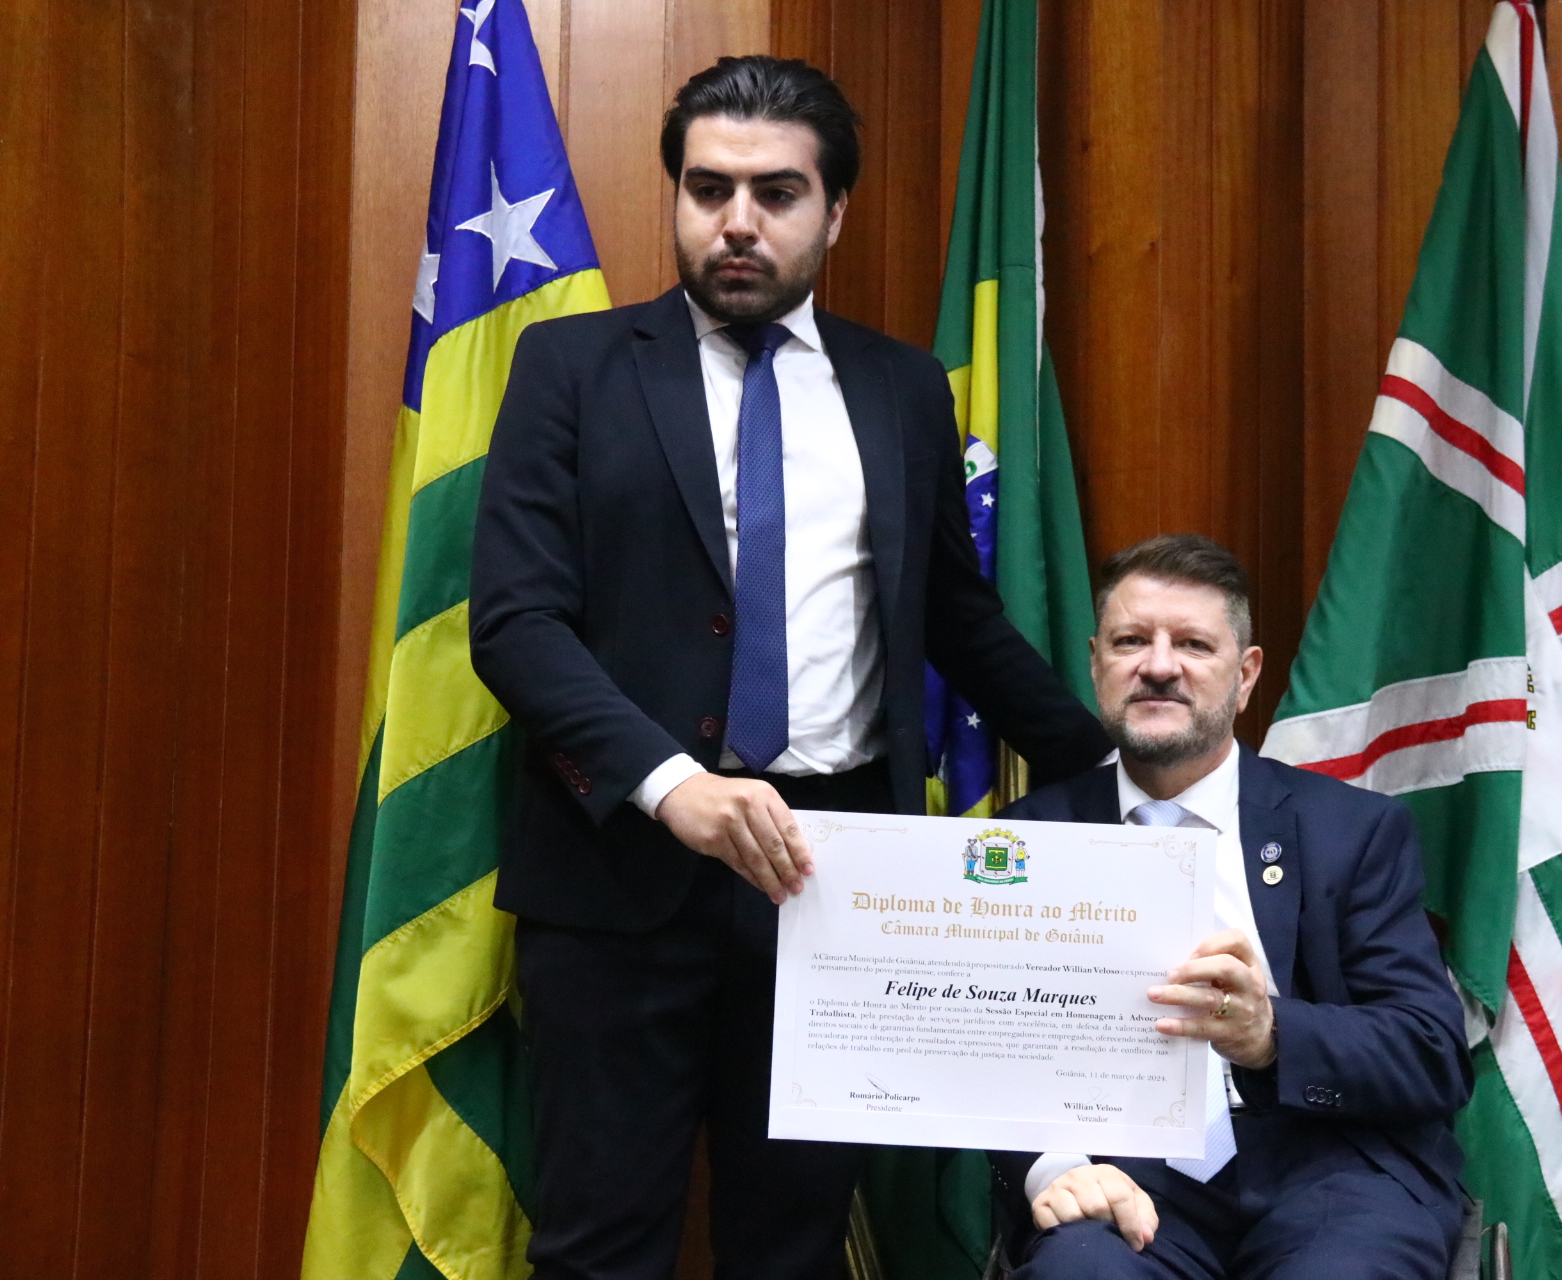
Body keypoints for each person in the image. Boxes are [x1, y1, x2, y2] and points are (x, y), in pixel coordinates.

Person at [468, 55, 1112, 1280]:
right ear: (676, 195)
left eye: (776, 193)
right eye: (708, 188)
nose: (737, 221)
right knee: (599, 1247)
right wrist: (673, 784)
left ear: (835, 211)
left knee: (795, 1246)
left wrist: (1130, 778)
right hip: (618, 873)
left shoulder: (902, 388)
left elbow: (957, 620)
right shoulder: (573, 369)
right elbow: (516, 622)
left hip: (836, 877)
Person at [993, 534, 1473, 1280]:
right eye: (1131, 641)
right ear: (1095, 663)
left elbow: (1431, 1052)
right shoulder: (1025, 840)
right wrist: (1054, 1167)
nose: (1159, 666)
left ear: (1245, 675)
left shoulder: (1351, 830)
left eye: (1192, 644)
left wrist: (1270, 1034)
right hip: (1121, 1171)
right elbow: (983, 1047)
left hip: (1331, 1165)